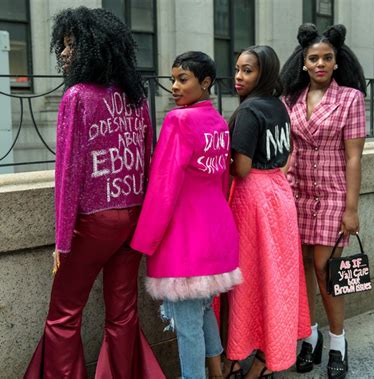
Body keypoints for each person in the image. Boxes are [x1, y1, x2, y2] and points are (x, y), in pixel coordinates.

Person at [24, 7, 164, 378]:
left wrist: (62, 241)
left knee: (63, 316)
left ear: (92, 48)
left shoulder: (78, 97)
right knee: (123, 313)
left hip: (94, 222)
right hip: (133, 216)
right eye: (63, 46)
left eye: (71, 45)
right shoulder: (136, 98)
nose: (64, 54)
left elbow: (68, 172)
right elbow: (147, 162)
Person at [131, 51, 241, 379]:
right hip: (216, 230)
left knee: (188, 325)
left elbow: (164, 184)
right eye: (173, 80)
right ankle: (217, 371)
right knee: (204, 310)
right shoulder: (219, 122)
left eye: (183, 79)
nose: (174, 87)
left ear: (205, 82)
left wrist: (144, 240)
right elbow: (223, 180)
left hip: (185, 237)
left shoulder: (180, 120)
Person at [280, 23, 367, 379]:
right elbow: (287, 150)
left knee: (325, 272)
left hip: (332, 196)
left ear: (336, 62)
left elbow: (354, 158)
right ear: (303, 63)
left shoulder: (350, 98)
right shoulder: (290, 100)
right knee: (299, 273)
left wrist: (351, 208)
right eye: (313, 58)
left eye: (327, 58)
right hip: (295, 193)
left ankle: (337, 342)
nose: (320, 63)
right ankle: (309, 337)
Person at [224, 45, 311, 379]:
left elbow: (241, 169)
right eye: (237, 69)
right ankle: (264, 358)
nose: (238, 77)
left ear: (265, 73)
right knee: (276, 279)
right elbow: (286, 157)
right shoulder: (278, 106)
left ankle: (240, 357)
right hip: (279, 195)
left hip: (253, 199)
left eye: (248, 70)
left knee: (247, 282)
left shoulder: (248, 112)